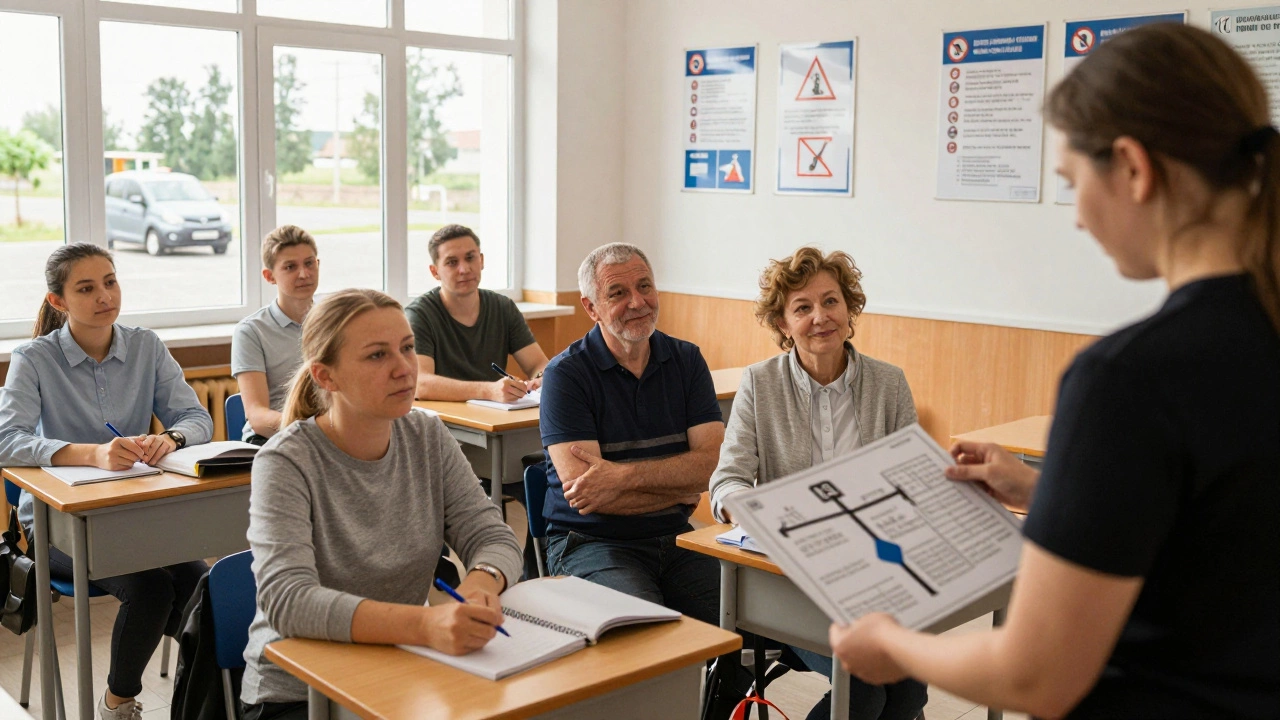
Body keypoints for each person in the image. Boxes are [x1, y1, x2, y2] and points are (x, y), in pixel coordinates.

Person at [827, 24, 1279, 720]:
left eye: (1071, 183)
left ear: (1132, 167)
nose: (1076, 219)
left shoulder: (1130, 377)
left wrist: (894, 643)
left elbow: (1035, 675)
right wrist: (1050, 490)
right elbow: (1218, 534)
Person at [240, 289, 522, 720]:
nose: (404, 368)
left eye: (407, 348)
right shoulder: (284, 461)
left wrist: (481, 583)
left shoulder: (427, 435)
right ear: (326, 376)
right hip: (299, 694)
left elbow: (492, 534)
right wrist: (426, 625)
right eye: (377, 356)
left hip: (401, 666)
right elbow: (288, 600)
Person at [709, 247, 927, 720]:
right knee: (865, 686)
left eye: (831, 302)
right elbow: (727, 481)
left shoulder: (889, 384)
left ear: (850, 310)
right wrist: (759, 513)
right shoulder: (759, 383)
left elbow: (914, 482)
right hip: (791, 581)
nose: (820, 317)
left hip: (875, 573)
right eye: (802, 308)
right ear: (783, 324)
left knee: (909, 690)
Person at [0, 243, 213, 720]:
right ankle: (118, 705)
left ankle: (207, 694)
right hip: (58, 525)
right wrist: (91, 453)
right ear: (58, 301)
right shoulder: (33, 359)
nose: (104, 296)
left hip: (136, 512)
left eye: (111, 282)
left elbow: (197, 417)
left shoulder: (145, 346)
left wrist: (172, 439)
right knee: (153, 589)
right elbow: (5, 440)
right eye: (86, 288)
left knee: (205, 587)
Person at [537, 242, 724, 625]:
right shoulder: (566, 375)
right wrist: (678, 488)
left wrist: (622, 477)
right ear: (592, 308)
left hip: (675, 536)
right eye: (618, 293)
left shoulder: (687, 360)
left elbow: (714, 466)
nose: (638, 302)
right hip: (590, 542)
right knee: (642, 633)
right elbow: (587, 494)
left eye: (645, 287)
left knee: (749, 618)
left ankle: (718, 689)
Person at [407, 224, 549, 402]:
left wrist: (541, 379)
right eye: (452, 262)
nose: (464, 269)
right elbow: (421, 384)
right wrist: (489, 390)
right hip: (444, 421)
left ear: (481, 261)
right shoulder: (419, 314)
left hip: (493, 418)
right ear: (435, 272)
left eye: (470, 258)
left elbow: (538, 364)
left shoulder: (503, 307)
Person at [231, 225, 319, 443]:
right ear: (269, 276)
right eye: (290, 267)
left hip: (327, 434)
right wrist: (314, 432)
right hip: (272, 439)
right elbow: (258, 416)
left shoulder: (333, 321)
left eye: (309, 263)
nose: (303, 274)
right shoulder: (251, 331)